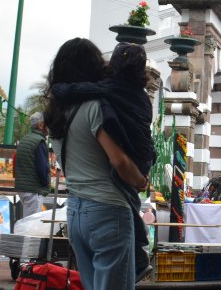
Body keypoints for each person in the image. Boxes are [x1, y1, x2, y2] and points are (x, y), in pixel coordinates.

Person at [46, 38, 147, 290]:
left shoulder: (56, 113)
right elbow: (119, 160)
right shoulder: (94, 107)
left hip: (76, 211)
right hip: (108, 209)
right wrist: (140, 180)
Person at [14, 112, 52, 219]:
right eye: (47, 124)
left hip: (24, 187)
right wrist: (47, 184)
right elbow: (42, 168)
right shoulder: (39, 141)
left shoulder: (26, 139)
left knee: (28, 221)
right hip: (33, 189)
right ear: (40, 125)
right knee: (31, 225)